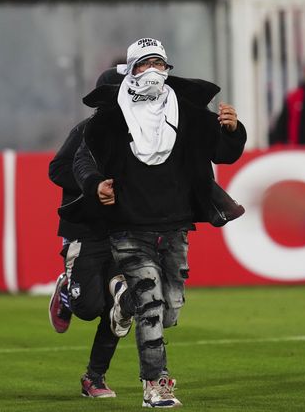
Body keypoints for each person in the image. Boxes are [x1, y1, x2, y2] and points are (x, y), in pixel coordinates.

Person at [68, 38, 246, 408]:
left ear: (168, 68)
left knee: (169, 309)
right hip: (128, 227)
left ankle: (123, 302)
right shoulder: (110, 117)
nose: (153, 70)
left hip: (177, 225)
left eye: (159, 63)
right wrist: (94, 184)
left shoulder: (191, 111)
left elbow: (223, 154)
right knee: (150, 306)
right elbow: (81, 160)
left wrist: (232, 130)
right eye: (145, 63)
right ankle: (156, 385)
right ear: (130, 71)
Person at [47, 68, 125, 399]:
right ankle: (67, 291)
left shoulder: (148, 131)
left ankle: (95, 377)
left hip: (125, 231)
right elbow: (58, 169)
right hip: (85, 230)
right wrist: (93, 183)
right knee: (88, 308)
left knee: (122, 306)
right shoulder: (86, 131)